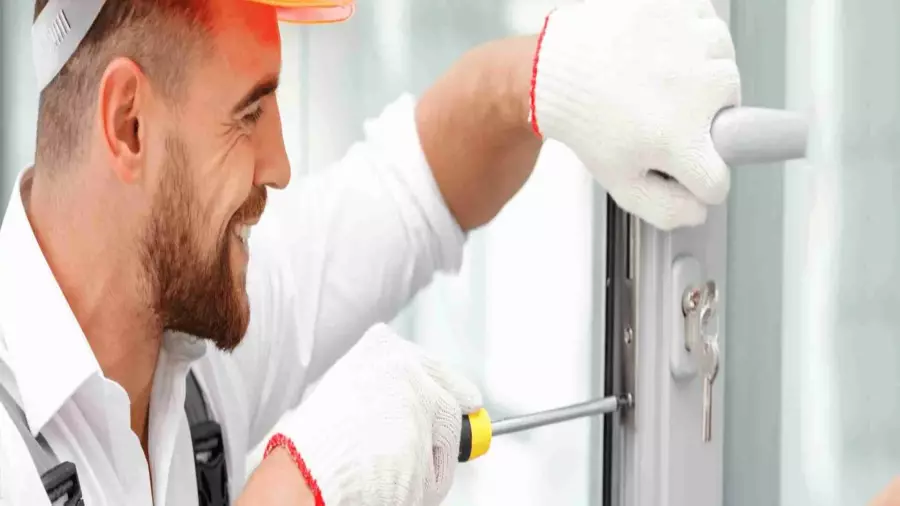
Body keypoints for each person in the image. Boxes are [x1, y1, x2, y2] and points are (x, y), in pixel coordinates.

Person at [0, 0, 739, 505]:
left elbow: (412, 190)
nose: (280, 164)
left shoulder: (189, 331)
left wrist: (551, 77)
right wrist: (298, 489)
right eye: (247, 114)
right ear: (129, 125)